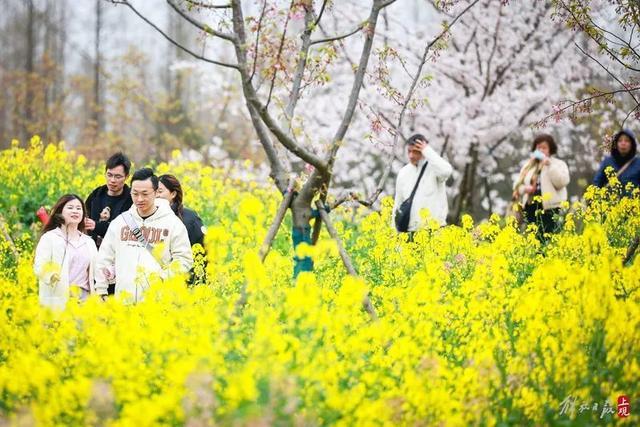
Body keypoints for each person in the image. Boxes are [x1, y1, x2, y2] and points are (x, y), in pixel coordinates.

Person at [94, 168, 193, 302]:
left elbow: (184, 259)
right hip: (123, 302)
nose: (139, 199)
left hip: (156, 303)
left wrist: (162, 278)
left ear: (156, 192)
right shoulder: (121, 222)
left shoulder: (173, 223)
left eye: (145, 194)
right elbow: (104, 257)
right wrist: (101, 290)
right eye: (135, 194)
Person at [34, 194, 97, 309]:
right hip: (59, 298)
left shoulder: (89, 242)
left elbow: (97, 270)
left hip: (85, 300)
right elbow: (39, 265)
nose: (75, 211)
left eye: (79, 208)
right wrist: (50, 275)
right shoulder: (50, 238)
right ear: (60, 212)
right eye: (70, 207)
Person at [85, 152, 133, 295]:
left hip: (118, 260)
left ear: (127, 177)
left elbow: (125, 229)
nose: (112, 180)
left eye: (118, 176)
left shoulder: (131, 199)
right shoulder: (97, 194)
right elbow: (85, 218)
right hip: (94, 256)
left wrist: (96, 226)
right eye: (109, 175)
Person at [512, 134, 570, 239]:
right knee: (533, 238)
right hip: (530, 207)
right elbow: (517, 185)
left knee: (548, 237)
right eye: (538, 148)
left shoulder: (557, 164)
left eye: (544, 148)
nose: (541, 150)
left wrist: (549, 165)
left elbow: (561, 182)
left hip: (549, 208)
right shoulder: (529, 166)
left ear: (550, 149)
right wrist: (525, 189)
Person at [393, 133, 453, 232]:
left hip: (434, 230)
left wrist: (427, 150)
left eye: (415, 151)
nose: (411, 155)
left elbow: (447, 171)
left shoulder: (435, 169)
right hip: (410, 231)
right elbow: (397, 204)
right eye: (409, 151)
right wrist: (395, 232)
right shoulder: (403, 172)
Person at [157, 174, 205, 247]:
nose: (156, 195)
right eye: (154, 192)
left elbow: (203, 249)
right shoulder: (149, 217)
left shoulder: (191, 219)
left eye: (160, 191)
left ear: (173, 194)